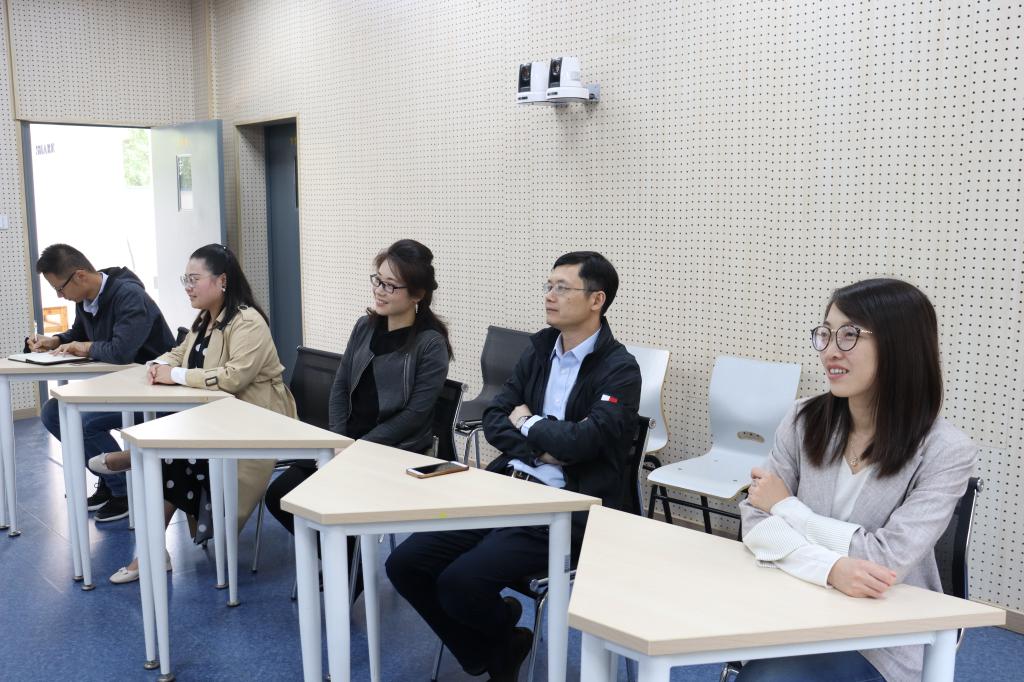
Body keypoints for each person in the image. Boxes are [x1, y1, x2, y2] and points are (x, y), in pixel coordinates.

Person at [385, 251, 642, 682]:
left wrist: (529, 422)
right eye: (548, 285)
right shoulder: (539, 348)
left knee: (459, 583)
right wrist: (541, 448)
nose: (550, 295)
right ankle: (498, 644)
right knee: (405, 564)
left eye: (563, 288)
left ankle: (496, 644)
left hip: (565, 508)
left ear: (596, 299)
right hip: (509, 487)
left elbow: (585, 442)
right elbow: (494, 417)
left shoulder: (620, 369)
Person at [737, 278, 976, 682]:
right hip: (792, 605)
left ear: (900, 345)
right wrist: (831, 569)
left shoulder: (946, 451)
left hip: (880, 633)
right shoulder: (802, 419)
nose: (830, 350)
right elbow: (755, 521)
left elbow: (883, 562)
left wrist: (786, 507)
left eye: (849, 335)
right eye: (826, 334)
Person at [89, 244, 296, 584]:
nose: (187, 286)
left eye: (194, 279)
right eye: (185, 279)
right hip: (217, 420)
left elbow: (233, 378)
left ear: (222, 280)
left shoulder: (248, 322)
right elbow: (179, 352)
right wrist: (158, 365)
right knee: (171, 455)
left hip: (257, 421)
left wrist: (176, 375)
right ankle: (151, 548)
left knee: (170, 458)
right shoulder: (206, 319)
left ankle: (138, 464)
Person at [264, 238, 453, 535]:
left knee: (334, 506)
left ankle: (349, 561)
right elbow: (340, 387)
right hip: (347, 443)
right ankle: (340, 558)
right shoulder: (364, 327)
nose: (379, 290)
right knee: (280, 495)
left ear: (417, 294)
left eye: (391, 285)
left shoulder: (430, 344)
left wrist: (357, 447)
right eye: (378, 280)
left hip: (394, 450)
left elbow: (415, 415)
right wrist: (339, 439)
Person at [32, 243, 175, 522]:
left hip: (153, 392)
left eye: (60, 288)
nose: (60, 296)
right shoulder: (86, 300)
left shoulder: (129, 296)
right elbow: (79, 333)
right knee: (53, 412)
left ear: (80, 276)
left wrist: (85, 347)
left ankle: (124, 490)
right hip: (120, 388)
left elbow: (121, 352)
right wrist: (56, 340)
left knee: (81, 421)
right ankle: (112, 482)